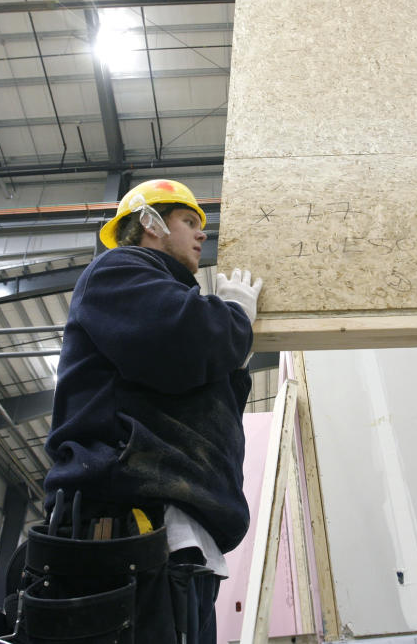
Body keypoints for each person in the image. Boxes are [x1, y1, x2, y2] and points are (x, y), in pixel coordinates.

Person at [39, 178, 263, 644]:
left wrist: (228, 350)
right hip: (131, 530)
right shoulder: (118, 271)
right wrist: (233, 317)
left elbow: (205, 398)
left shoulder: (163, 297)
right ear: (150, 222)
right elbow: (184, 342)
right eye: (188, 221)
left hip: (177, 540)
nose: (203, 234)